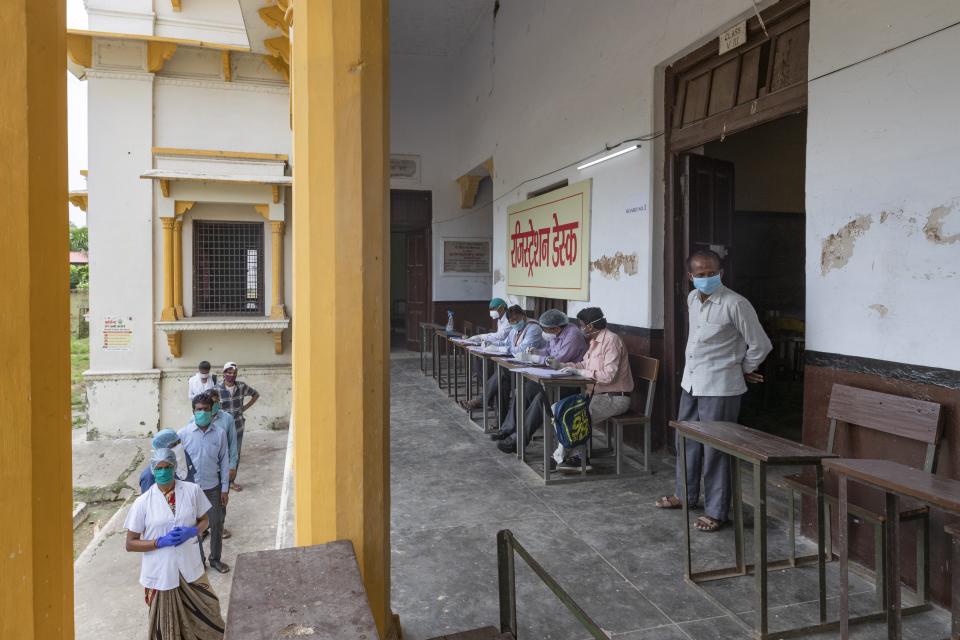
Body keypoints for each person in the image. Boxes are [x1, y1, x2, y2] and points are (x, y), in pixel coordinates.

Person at [654, 249, 772, 533]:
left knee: (716, 449)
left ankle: (717, 511)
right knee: (686, 441)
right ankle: (685, 495)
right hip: (691, 383)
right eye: (700, 274)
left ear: (721, 273)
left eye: (712, 274)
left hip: (720, 387)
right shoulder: (693, 298)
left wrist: (743, 367)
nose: (706, 279)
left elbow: (760, 344)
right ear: (690, 276)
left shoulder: (736, 304)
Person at [124, 447, 225, 639]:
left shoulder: (192, 490)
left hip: (190, 567)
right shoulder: (143, 502)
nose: (163, 471)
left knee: (210, 609)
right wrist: (158, 542)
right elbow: (130, 543)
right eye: (159, 468)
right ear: (153, 470)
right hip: (161, 572)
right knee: (168, 625)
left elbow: (205, 519)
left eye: (167, 466)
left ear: (174, 467)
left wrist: (193, 531)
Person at [549, 307, 633, 472]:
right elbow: (584, 365)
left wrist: (580, 372)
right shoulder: (594, 342)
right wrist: (562, 365)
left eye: (582, 325)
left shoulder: (611, 341)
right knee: (556, 408)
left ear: (591, 326)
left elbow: (609, 376)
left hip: (615, 398)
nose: (581, 328)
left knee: (576, 415)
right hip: (596, 396)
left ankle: (572, 458)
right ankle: (574, 456)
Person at [494, 309, 588, 453]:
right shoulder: (557, 333)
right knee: (524, 390)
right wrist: (535, 352)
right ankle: (507, 429)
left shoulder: (573, 335)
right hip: (552, 378)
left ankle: (517, 440)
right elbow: (548, 351)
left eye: (545, 329)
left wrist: (539, 359)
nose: (544, 332)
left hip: (571, 381)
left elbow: (559, 359)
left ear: (555, 328)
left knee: (541, 399)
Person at [460, 305, 544, 422]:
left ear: (524, 316)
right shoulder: (515, 329)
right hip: (518, 367)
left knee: (502, 373)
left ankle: (482, 400)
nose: (515, 322)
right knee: (502, 384)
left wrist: (502, 349)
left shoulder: (533, 328)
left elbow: (522, 349)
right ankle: (502, 421)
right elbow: (505, 343)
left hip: (532, 369)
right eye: (512, 321)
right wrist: (489, 344)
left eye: (517, 319)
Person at [178, 393, 231, 573]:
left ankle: (215, 559)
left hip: (213, 488)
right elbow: (179, 464)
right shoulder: (183, 434)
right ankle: (199, 560)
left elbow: (224, 461)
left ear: (212, 412)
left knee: (216, 525)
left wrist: (225, 488)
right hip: (191, 490)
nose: (202, 412)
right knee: (194, 528)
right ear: (193, 411)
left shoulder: (220, 433)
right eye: (198, 409)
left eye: (205, 409)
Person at [216, 362, 259, 489]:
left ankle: (231, 482)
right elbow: (206, 400)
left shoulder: (241, 386)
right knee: (221, 454)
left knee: (235, 455)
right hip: (222, 428)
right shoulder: (217, 389)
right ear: (224, 374)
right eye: (229, 373)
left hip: (238, 426)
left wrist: (244, 408)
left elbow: (255, 394)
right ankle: (221, 481)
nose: (231, 375)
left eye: (234, 373)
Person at [208, 389, 238, 539]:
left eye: (216, 402)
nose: (214, 405)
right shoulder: (194, 419)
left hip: (222, 468)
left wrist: (232, 465)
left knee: (221, 501)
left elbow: (233, 444)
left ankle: (220, 527)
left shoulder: (227, 419)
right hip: (205, 468)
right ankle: (204, 528)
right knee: (201, 501)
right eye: (211, 403)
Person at [139, 428, 197, 494]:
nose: (178, 446)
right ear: (161, 449)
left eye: (179, 441)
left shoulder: (184, 455)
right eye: (173, 445)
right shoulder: (149, 475)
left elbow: (191, 477)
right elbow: (148, 501)